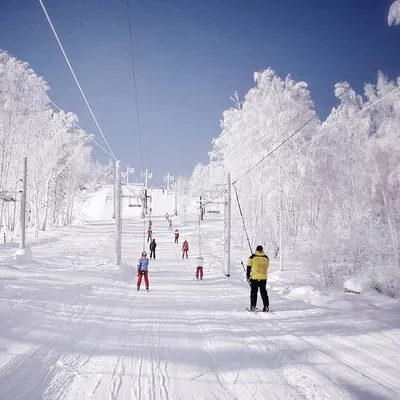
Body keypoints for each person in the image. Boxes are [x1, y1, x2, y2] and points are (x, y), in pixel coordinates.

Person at [246, 245, 270, 312]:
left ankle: (253, 306)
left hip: (254, 277)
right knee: (263, 292)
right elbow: (267, 267)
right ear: (262, 250)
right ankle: (266, 306)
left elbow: (248, 268)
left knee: (254, 292)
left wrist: (247, 276)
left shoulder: (252, 257)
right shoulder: (266, 257)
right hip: (263, 277)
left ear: (256, 250)